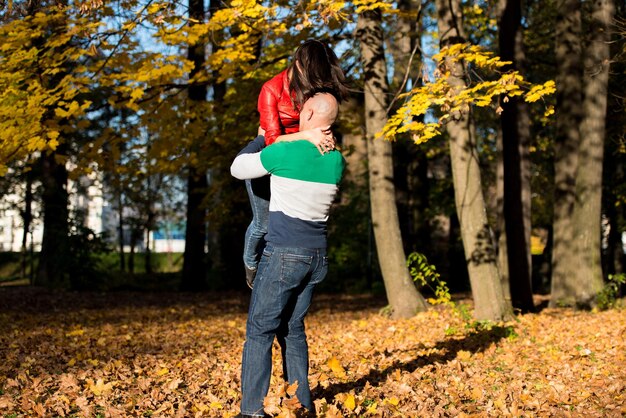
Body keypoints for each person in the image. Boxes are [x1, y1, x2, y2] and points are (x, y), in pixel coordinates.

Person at [231, 93, 345, 417]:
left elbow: (239, 168)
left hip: (284, 253)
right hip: (317, 257)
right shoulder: (337, 159)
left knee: (260, 330)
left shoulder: (284, 151)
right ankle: (302, 405)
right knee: (292, 329)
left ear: (307, 112)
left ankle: (251, 411)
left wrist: (260, 137)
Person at [242, 39, 349, 289]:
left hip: (295, 161)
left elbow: (322, 116)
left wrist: (325, 134)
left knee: (286, 221)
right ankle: (249, 263)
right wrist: (307, 135)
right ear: (299, 65)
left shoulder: (312, 86)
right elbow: (271, 140)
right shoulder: (271, 89)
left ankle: (278, 270)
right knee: (263, 223)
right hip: (273, 155)